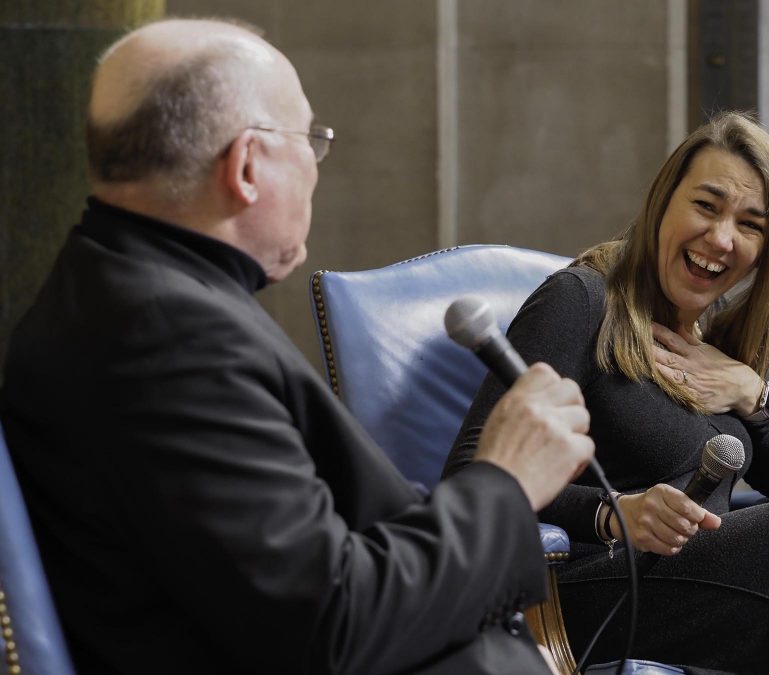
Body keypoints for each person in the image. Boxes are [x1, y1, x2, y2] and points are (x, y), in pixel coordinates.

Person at [0, 18, 596, 675]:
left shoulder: (124, 286)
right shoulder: (165, 335)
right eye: (310, 139)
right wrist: (505, 480)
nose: (316, 164)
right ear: (249, 166)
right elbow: (328, 624)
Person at [444, 111, 769, 674]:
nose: (722, 238)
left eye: (751, 224)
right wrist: (615, 513)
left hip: (698, 583)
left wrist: (753, 393)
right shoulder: (582, 302)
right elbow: (470, 476)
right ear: (664, 201)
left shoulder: (718, 335)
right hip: (590, 588)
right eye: (706, 206)